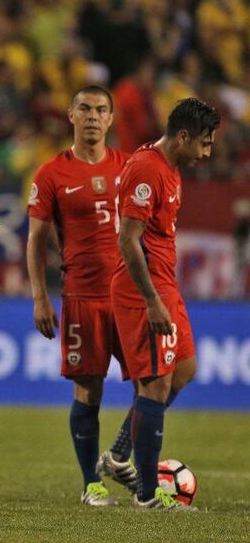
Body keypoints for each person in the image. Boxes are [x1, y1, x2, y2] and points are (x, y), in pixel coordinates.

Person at [26, 86, 135, 506]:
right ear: (70, 115)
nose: (93, 116)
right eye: (85, 108)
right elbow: (36, 241)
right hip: (82, 297)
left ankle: (126, 458)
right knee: (88, 391)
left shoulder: (130, 168)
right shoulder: (51, 174)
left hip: (130, 296)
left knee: (158, 382)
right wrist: (39, 297)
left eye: (101, 110)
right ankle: (92, 482)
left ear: (111, 119)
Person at [110, 97, 219, 510]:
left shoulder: (170, 168)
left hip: (165, 286)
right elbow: (127, 240)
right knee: (154, 384)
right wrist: (152, 301)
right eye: (205, 144)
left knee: (184, 370)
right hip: (144, 292)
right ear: (184, 136)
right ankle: (145, 495)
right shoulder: (147, 170)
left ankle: (119, 451)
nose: (207, 153)